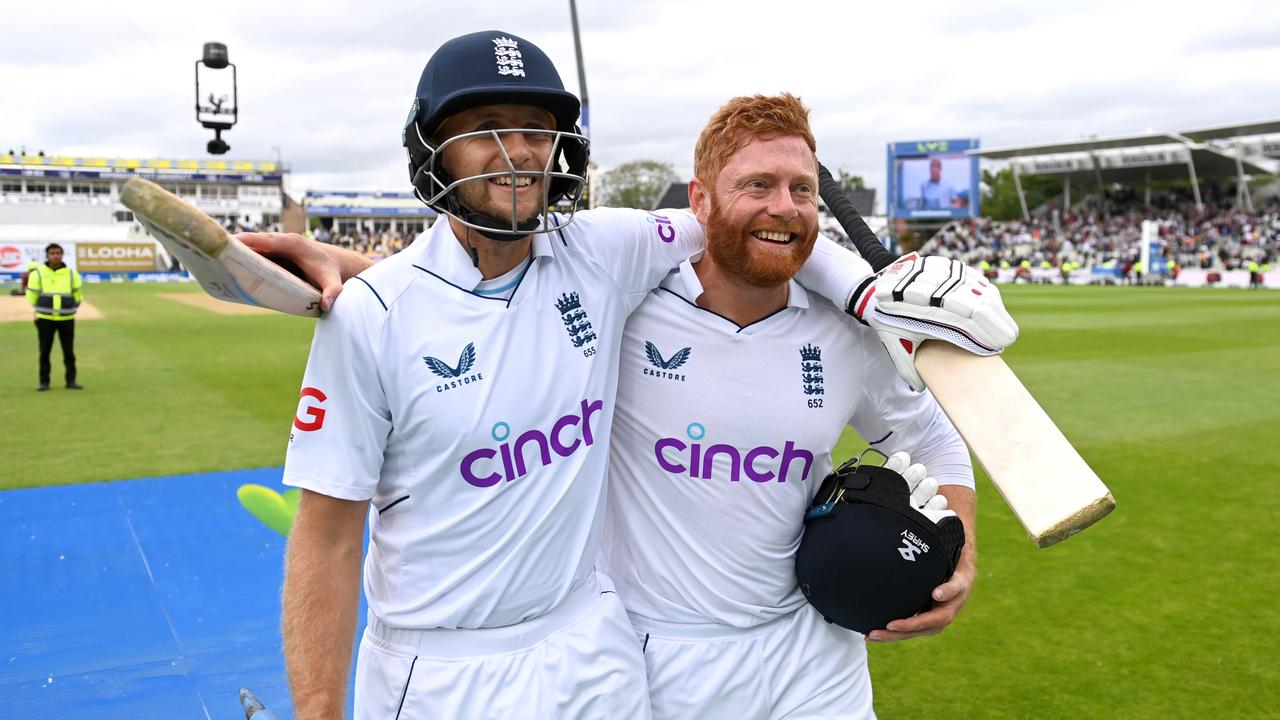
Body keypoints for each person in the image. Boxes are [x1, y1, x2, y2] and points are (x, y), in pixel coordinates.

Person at [245, 32, 1015, 720]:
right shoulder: (380, 314)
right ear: (432, 148)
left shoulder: (602, 256)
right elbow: (328, 539)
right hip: (455, 665)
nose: (516, 152)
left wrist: (864, 289)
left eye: (535, 132)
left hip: (603, 648)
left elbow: (764, 231)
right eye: (484, 131)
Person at [600, 94, 984, 719]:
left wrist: (958, 559)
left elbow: (935, 442)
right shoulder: (624, 307)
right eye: (758, 184)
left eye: (802, 190)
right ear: (699, 200)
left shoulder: (847, 331)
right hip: (660, 654)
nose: (784, 207)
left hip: (815, 653)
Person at [27, 243, 83, 391]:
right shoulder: (37, 273)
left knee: (69, 351)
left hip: (66, 318)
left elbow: (77, 293)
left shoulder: (71, 273)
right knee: (45, 351)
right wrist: (41, 308)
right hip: (45, 318)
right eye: (52, 253)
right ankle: (44, 382)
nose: (55, 256)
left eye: (58, 253)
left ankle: (71, 381)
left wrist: (72, 306)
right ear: (47, 255)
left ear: (62, 255)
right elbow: (32, 294)